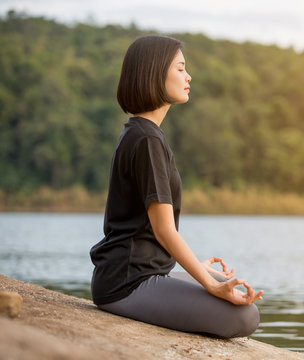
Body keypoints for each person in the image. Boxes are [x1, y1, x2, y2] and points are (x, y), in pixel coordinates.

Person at [89, 35, 263, 338]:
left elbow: (148, 231)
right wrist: (210, 285)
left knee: (220, 285)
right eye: (181, 68)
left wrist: (197, 268)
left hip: (132, 272)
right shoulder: (146, 140)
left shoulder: (141, 133)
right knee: (244, 317)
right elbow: (164, 230)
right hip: (127, 283)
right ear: (155, 74)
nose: (188, 76)